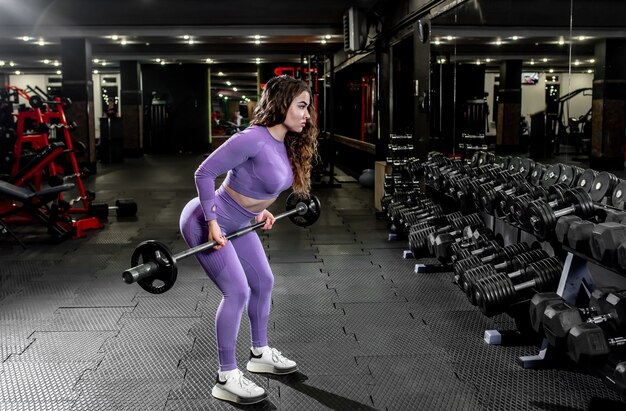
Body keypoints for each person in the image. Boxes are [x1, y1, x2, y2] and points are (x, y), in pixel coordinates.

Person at [179, 75, 317, 405]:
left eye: (308, 107)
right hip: (205, 220)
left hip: (240, 221)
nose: (307, 115)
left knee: (264, 281)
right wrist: (212, 223)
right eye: (301, 106)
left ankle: (259, 353)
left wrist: (258, 213)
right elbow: (204, 173)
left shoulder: (283, 142)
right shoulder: (251, 138)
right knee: (237, 291)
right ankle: (225, 376)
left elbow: (251, 186)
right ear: (282, 104)